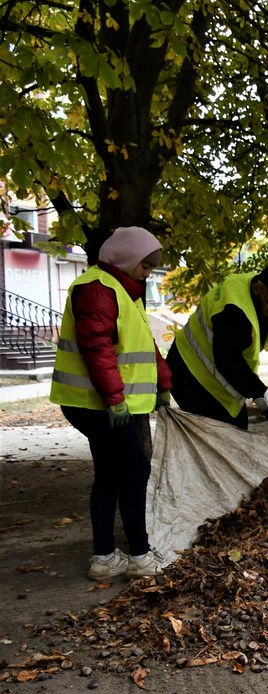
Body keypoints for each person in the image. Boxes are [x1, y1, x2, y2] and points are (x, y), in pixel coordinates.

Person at [50, 226, 173, 580]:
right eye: (145, 267)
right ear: (127, 258)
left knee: (110, 472)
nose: (147, 274)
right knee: (135, 469)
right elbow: (96, 348)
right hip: (96, 405)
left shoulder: (122, 292)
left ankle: (105, 557)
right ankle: (139, 555)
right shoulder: (97, 288)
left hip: (101, 404)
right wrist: (115, 399)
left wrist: (162, 384)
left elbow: (144, 345)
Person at [167, 266, 268, 429]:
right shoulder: (234, 311)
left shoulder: (256, 290)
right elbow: (228, 360)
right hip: (189, 371)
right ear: (257, 289)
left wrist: (262, 397)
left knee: (237, 432)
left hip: (216, 376)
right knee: (222, 438)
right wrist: (262, 395)